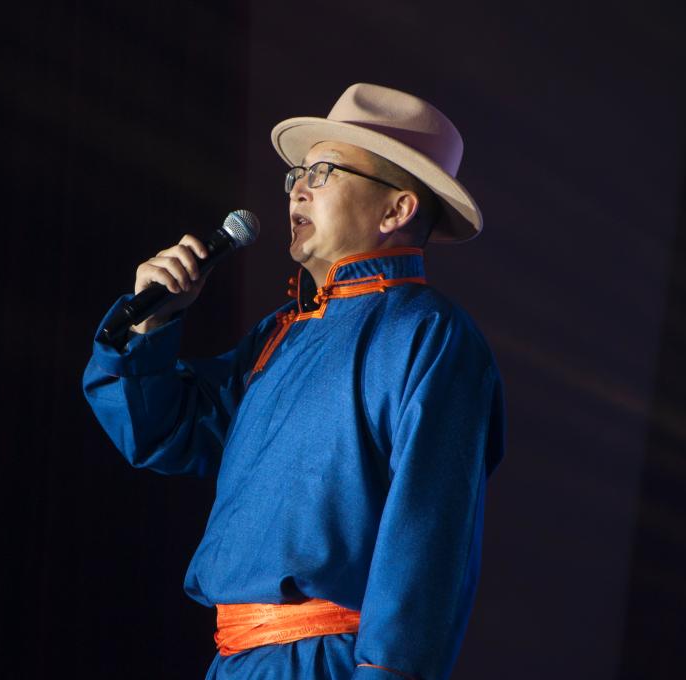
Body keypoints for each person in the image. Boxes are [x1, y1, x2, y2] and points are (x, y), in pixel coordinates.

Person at [83, 83, 505, 680]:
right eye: (298, 174)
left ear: (396, 210)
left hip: (327, 662)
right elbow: (164, 433)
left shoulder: (430, 334)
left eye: (324, 172)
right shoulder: (281, 333)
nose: (298, 189)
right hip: (234, 660)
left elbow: (430, 537)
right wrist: (153, 326)